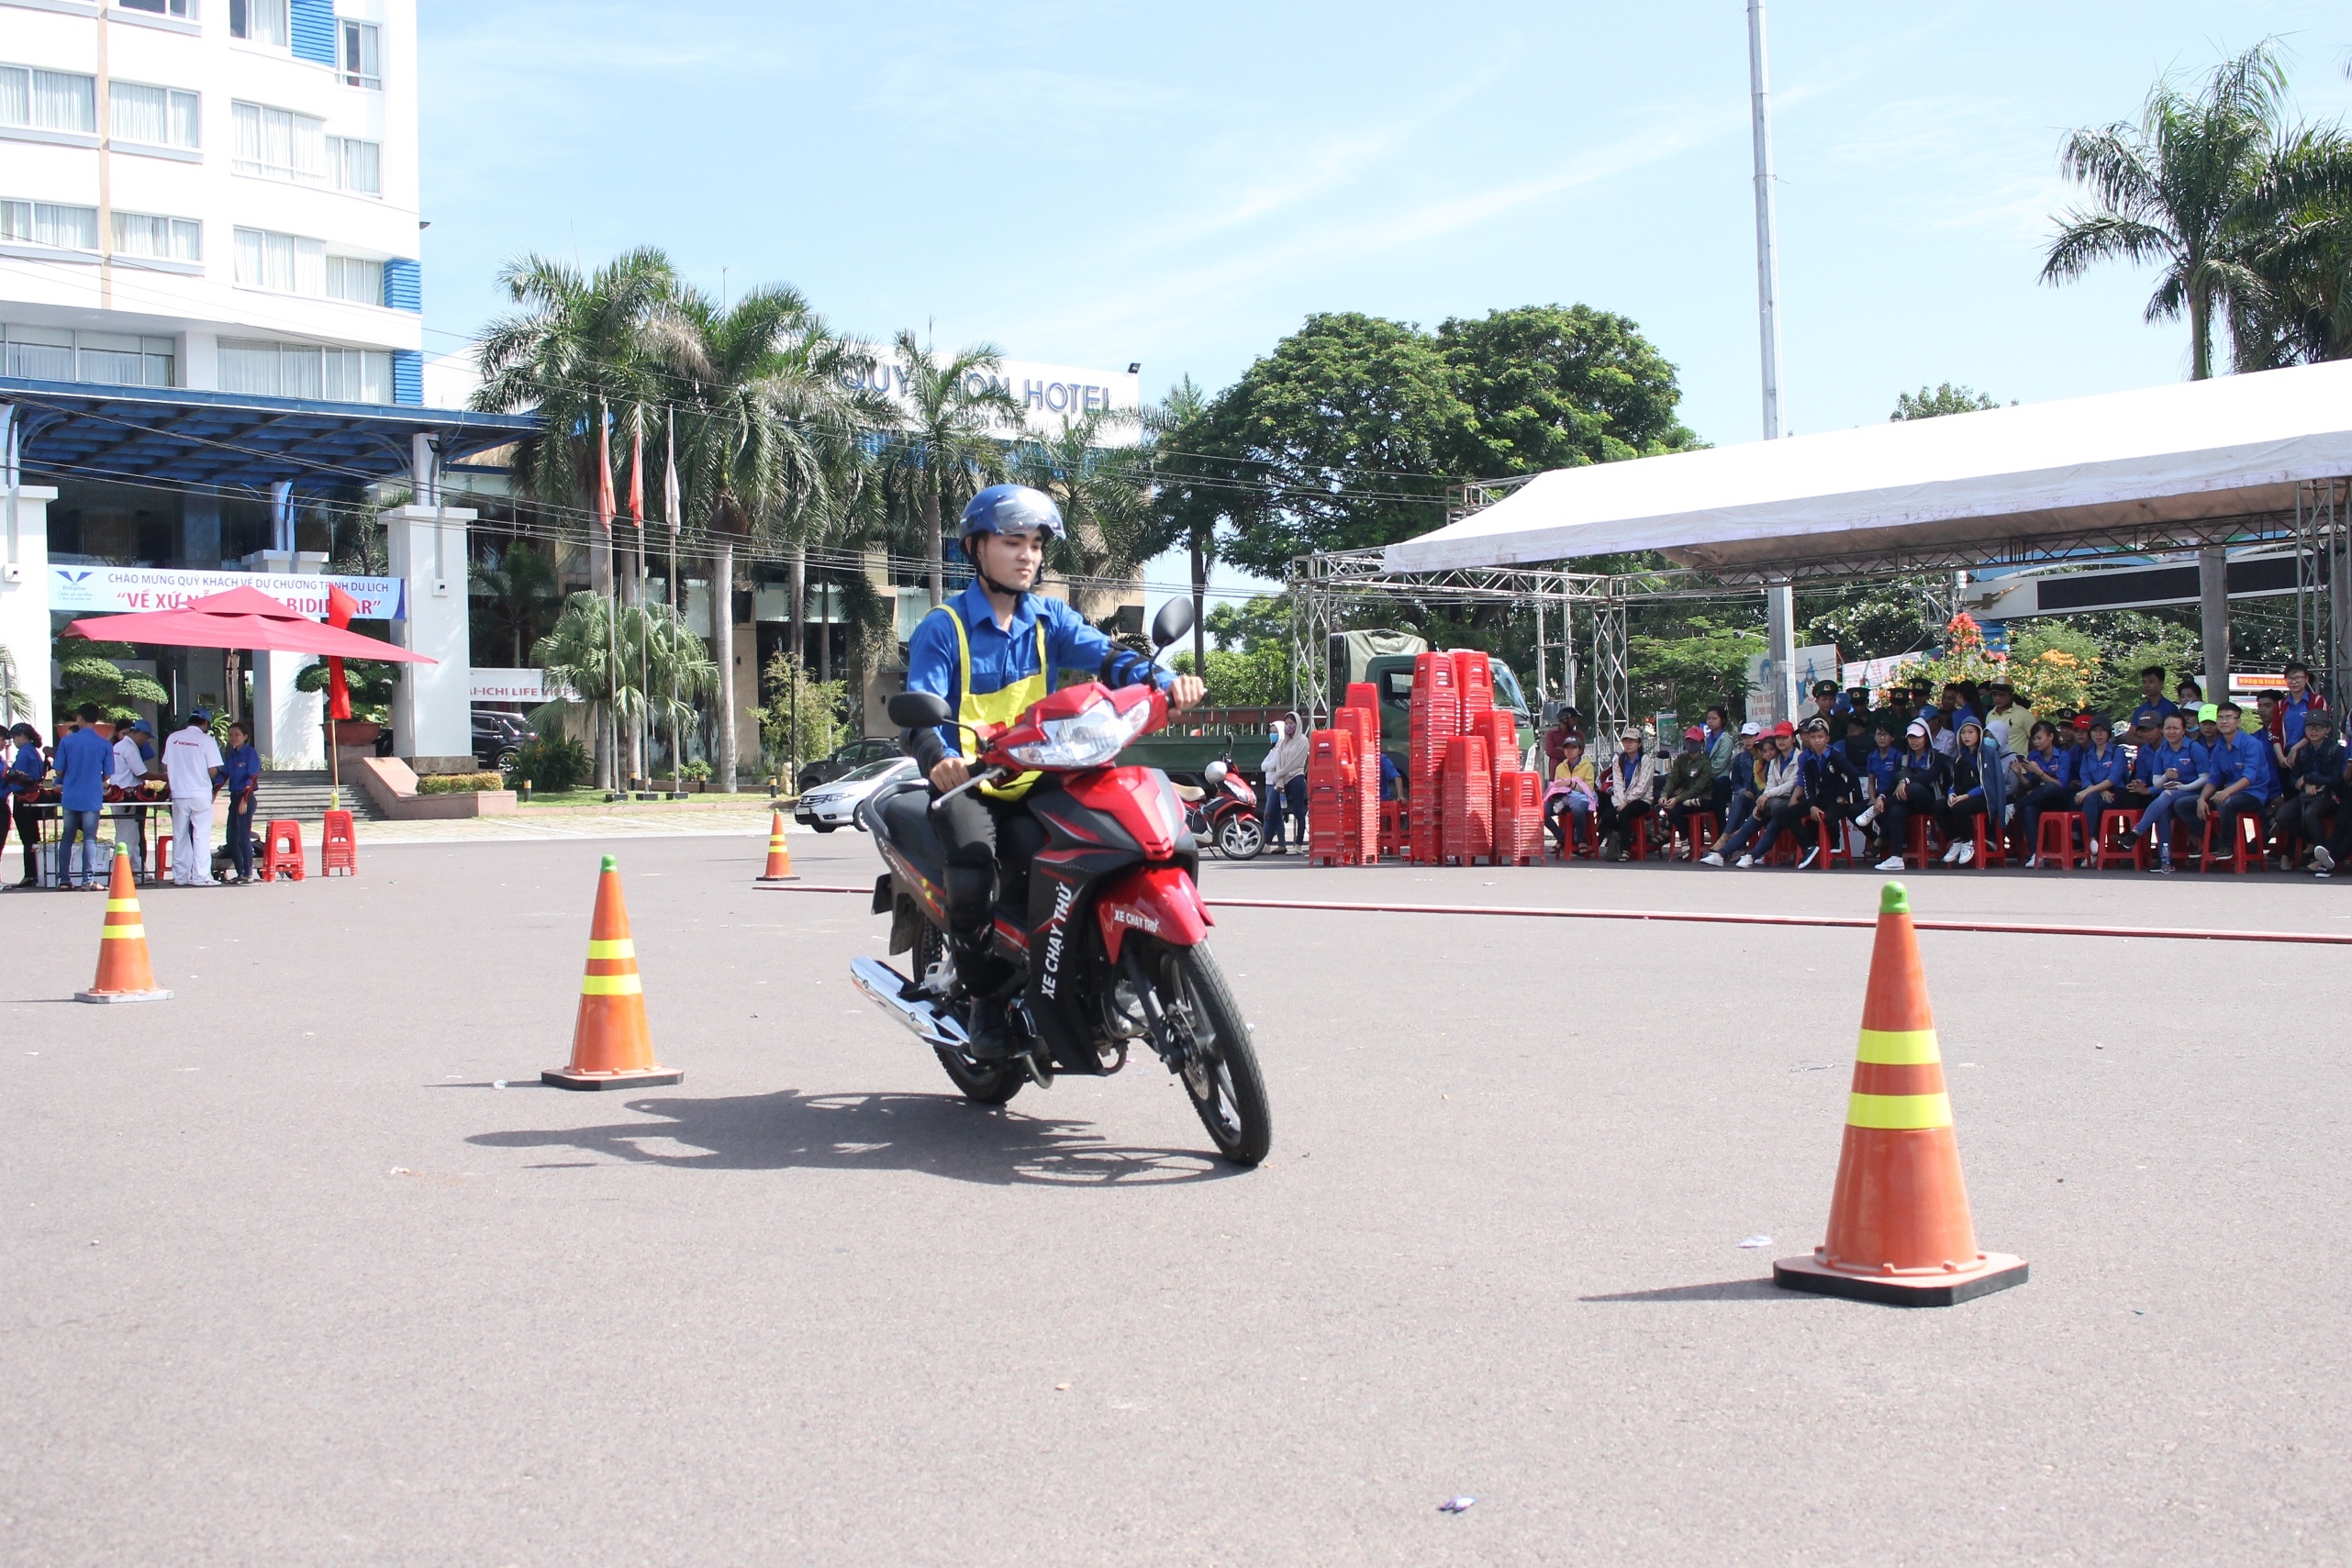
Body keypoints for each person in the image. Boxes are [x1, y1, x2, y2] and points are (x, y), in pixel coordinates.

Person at [905, 484, 1199, 1055]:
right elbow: (919, 711)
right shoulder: (945, 627)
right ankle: (984, 999)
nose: (1028, 556)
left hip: (1042, 771)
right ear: (975, 547)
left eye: (1037, 544)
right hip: (972, 782)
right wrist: (939, 757)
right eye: (1013, 541)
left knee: (1117, 838)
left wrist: (1166, 682)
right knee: (974, 864)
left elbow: (1111, 658)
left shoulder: (1049, 618)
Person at [1703, 721, 1801, 867]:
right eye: (1778, 738)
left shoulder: (1800, 758)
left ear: (1793, 739)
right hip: (1773, 801)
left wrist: (1765, 796)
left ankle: (1751, 856)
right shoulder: (1775, 761)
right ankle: (1721, 854)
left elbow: (1791, 785)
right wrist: (1763, 799)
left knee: (1775, 819)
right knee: (1753, 819)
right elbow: (1770, 783)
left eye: (1785, 738)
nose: (1781, 741)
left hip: (1792, 802)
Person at [2128, 711, 2212, 874]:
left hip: (2194, 792)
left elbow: (2206, 777)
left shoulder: (2195, 748)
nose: (2171, 732)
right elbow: (2156, 782)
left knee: (2167, 794)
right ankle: (2165, 859)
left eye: (2175, 728)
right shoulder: (2162, 751)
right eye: (2168, 728)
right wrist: (2167, 775)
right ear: (2163, 730)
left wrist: (2182, 787)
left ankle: (2136, 831)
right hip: (2171, 793)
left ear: (2183, 730)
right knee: (2162, 809)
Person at [2196, 701, 2273, 860]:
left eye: (2229, 717)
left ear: (2238, 721)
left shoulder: (2252, 744)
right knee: (2184, 805)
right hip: (2229, 793)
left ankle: (2226, 846)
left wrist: (2226, 792)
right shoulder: (2219, 747)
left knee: (2226, 802)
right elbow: (2214, 778)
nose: (2224, 721)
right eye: (2220, 718)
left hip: (2253, 795)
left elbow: (2249, 778)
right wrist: (2201, 799)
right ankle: (2212, 843)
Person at [51, 703, 117, 890]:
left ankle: (64, 879)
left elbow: (59, 770)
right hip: (91, 796)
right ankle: (88, 879)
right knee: (90, 837)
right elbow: (107, 774)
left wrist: (70, 775)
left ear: (79, 718)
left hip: (71, 794)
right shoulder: (103, 744)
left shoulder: (67, 742)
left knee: (68, 836)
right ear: (95, 719)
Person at [163, 711, 226, 887]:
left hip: (179, 793)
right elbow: (213, 770)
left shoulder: (173, 738)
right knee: (201, 835)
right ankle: (200, 876)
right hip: (200, 793)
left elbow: (167, 763)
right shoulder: (207, 740)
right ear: (205, 723)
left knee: (180, 834)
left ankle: (180, 876)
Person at [2276, 710, 2343, 873]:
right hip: (2306, 795)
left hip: (2331, 795)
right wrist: (2304, 785)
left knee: (2310, 814)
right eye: (2309, 727)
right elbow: (2293, 779)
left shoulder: (2336, 750)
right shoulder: (2301, 751)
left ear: (2327, 729)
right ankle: (2312, 841)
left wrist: (2309, 778)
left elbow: (2337, 780)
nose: (2313, 731)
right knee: (2282, 815)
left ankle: (2320, 857)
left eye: (2318, 727)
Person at [1941, 717, 2007, 865]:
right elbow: (1954, 781)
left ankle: (1967, 841)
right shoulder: (1960, 755)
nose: (1966, 736)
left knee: (1960, 807)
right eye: (1963, 733)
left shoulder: (1987, 753)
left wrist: (1966, 796)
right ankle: (1956, 839)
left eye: (1971, 732)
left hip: (1984, 798)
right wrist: (1952, 793)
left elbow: (1988, 783)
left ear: (1979, 733)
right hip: (1962, 795)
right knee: (1939, 806)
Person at [1596, 726, 1662, 861]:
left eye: (1632, 741)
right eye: (1626, 741)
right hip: (1621, 798)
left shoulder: (1646, 761)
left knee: (1624, 814)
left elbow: (1642, 787)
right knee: (1607, 815)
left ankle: (1626, 849)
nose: (1628, 744)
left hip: (1642, 799)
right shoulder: (1618, 761)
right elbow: (1618, 784)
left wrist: (1627, 802)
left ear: (1639, 744)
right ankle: (1627, 834)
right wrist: (1620, 801)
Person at [2014, 720, 2074, 865]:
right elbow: (2029, 785)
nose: (2036, 742)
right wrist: (2019, 775)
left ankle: (2015, 806)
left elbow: (2060, 785)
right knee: (2029, 808)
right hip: (2039, 798)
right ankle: (2036, 853)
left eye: (2039, 738)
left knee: (2051, 787)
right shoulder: (2033, 756)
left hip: (2060, 799)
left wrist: (2039, 773)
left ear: (2051, 737)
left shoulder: (2063, 756)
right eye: (2033, 738)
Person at [2070, 716, 2127, 851]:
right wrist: (2097, 790)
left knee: (2092, 803)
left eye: (2102, 731)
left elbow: (2113, 779)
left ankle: (2090, 844)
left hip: (2116, 793)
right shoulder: (2088, 754)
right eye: (2095, 731)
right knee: (2086, 800)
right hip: (2096, 792)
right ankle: (2092, 841)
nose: (2098, 734)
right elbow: (2086, 779)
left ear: (2108, 733)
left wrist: (2088, 791)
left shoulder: (2117, 752)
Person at [1660, 726, 1715, 859]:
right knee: (1670, 806)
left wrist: (1677, 799)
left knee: (1676, 806)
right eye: (1688, 741)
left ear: (1701, 743)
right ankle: (1684, 838)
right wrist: (1664, 794)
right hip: (1684, 797)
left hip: (1703, 797)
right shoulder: (1681, 759)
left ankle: (1683, 838)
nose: (1690, 745)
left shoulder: (1705, 763)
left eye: (1694, 742)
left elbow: (1698, 788)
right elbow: (1672, 778)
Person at [107, 715, 150, 876]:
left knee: (130, 835)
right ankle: (121, 872)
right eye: (145, 737)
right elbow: (142, 773)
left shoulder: (117, 747)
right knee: (128, 837)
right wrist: (165, 776)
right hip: (129, 795)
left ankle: (139, 871)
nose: (145, 741)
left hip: (116, 794)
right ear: (139, 733)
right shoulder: (130, 748)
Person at [3, 722, 44, 889]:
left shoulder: (24, 754)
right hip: (34, 796)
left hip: (23, 798)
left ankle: (30, 874)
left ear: (22, 736)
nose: (13, 742)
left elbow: (17, 778)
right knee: (34, 837)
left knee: (27, 838)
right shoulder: (35, 752)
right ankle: (36, 872)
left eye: (14, 738)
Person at [220, 721, 262, 884]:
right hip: (234, 797)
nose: (233, 738)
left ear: (245, 736)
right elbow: (224, 774)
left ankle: (247, 872)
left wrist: (245, 799)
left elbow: (252, 778)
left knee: (243, 836)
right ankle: (239, 872)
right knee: (231, 836)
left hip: (246, 797)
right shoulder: (232, 755)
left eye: (237, 735)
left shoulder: (250, 753)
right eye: (230, 735)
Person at [1544, 736, 1597, 856]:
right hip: (1562, 798)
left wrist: (1571, 784)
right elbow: (1557, 784)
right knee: (1542, 812)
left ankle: (1581, 840)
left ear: (1580, 750)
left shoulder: (1587, 766)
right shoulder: (1560, 767)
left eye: (1573, 748)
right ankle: (1561, 838)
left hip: (1581, 798)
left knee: (1578, 809)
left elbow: (1589, 788)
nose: (1570, 751)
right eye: (1567, 748)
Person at [1722, 720, 1764, 835]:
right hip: (1746, 798)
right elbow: (1735, 782)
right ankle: (1729, 836)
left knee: (1739, 801)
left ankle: (1729, 836)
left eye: (1750, 737)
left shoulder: (1765, 757)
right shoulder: (1739, 759)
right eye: (1745, 737)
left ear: (1758, 737)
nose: (1747, 740)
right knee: (1740, 798)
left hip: (1763, 797)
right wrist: (1743, 791)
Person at [1258, 719, 1288, 852]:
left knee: (1268, 814)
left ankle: (1264, 844)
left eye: (1275, 732)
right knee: (1277, 816)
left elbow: (1272, 765)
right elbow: (1264, 765)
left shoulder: (1282, 748)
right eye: (1271, 732)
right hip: (1269, 784)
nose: (1272, 735)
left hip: (1276, 785)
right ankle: (1282, 845)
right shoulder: (1273, 748)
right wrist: (1267, 766)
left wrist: (1267, 766)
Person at [2131, 665, 2178, 731]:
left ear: (2161, 683)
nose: (2147, 686)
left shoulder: (2170, 708)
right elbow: (2131, 736)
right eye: (2144, 682)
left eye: (2151, 682)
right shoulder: (2140, 710)